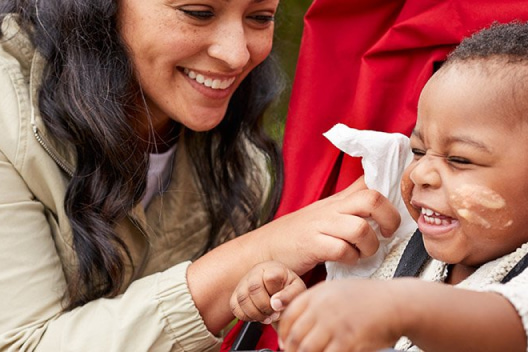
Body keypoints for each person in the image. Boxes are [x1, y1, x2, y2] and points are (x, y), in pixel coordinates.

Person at [0, 1, 402, 351]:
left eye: (260, 18)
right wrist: (261, 249)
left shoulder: (241, 163)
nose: (236, 54)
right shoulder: (8, 116)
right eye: (198, 13)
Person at [231, 21, 528, 351]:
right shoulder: (406, 257)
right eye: (417, 151)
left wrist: (398, 304)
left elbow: (508, 324)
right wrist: (307, 313)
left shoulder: (509, 298)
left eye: (459, 159)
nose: (420, 174)